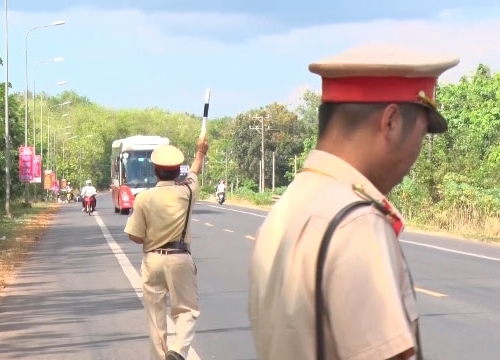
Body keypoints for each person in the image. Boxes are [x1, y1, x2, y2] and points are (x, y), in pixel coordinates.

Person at [248, 43, 459, 360]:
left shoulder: (288, 206)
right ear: (390, 121)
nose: (417, 152)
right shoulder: (357, 224)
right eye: (422, 132)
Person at [124, 135, 208, 360]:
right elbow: (195, 172)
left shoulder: (143, 198)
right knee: (187, 311)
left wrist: (153, 238)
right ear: (178, 171)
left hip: (153, 260)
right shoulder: (187, 192)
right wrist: (201, 151)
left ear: (155, 171)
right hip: (181, 258)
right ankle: (178, 351)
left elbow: (134, 235)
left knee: (155, 317)